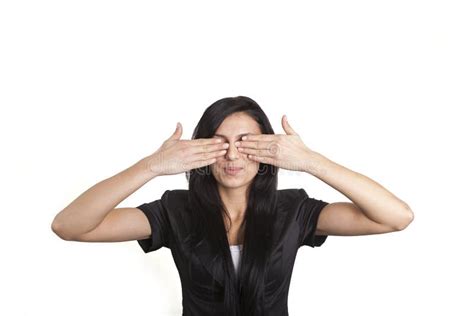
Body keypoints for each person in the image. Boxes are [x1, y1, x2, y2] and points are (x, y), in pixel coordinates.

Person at [51, 96, 414, 316]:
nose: (232, 154)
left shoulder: (294, 211)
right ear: (201, 151)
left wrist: (311, 161)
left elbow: (396, 217)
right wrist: (150, 167)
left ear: (269, 150)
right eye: (219, 142)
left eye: (246, 142)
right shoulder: (175, 210)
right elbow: (70, 226)